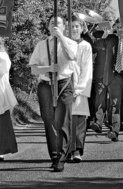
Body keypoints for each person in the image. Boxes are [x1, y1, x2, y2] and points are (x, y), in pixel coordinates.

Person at [29, 16, 77, 172]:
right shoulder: (41, 45)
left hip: (64, 83)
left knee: (62, 121)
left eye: (58, 24)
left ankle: (61, 157)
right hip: (46, 85)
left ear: (64, 26)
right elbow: (34, 68)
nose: (54, 26)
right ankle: (54, 155)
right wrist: (48, 69)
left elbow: (71, 56)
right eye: (52, 23)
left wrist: (61, 38)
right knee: (49, 122)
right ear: (48, 27)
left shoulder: (70, 43)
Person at [89, 11, 121, 139]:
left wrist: (113, 33)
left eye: (111, 20)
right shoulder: (98, 34)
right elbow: (93, 47)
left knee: (114, 102)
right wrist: (102, 36)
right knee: (100, 99)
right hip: (100, 73)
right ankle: (98, 122)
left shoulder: (117, 35)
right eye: (106, 19)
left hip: (114, 74)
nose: (109, 22)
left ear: (113, 22)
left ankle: (114, 129)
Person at [69, 15, 93, 163]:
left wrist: (79, 88)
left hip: (79, 86)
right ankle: (67, 149)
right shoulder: (63, 43)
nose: (74, 29)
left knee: (79, 119)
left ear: (82, 28)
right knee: (67, 119)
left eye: (77, 26)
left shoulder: (85, 46)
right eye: (71, 27)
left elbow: (87, 69)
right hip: (65, 86)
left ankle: (77, 149)